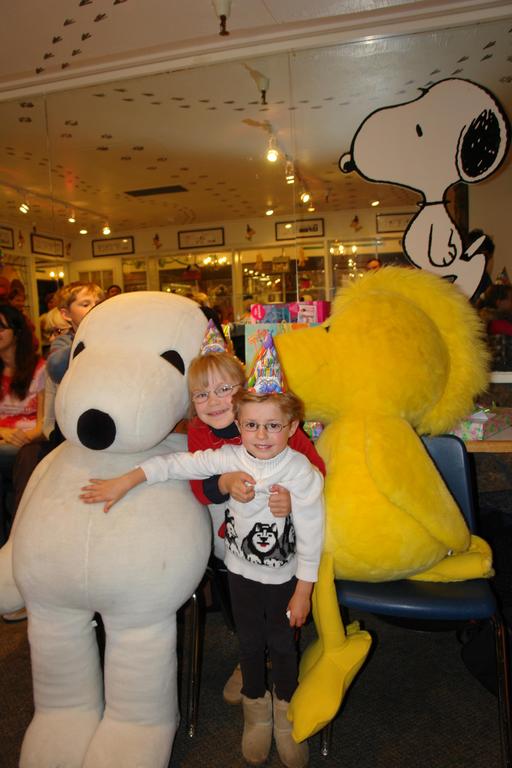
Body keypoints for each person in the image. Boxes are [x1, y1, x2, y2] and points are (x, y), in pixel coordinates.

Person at [80, 386, 324, 768]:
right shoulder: (229, 457)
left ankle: (286, 713)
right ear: (238, 425)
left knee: (281, 645)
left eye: (273, 426)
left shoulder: (300, 472)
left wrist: (304, 590)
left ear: (292, 426)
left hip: (284, 579)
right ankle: (256, 711)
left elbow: (313, 533)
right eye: (252, 425)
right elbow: (174, 464)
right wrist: (126, 481)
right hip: (241, 574)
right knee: (249, 642)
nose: (261, 435)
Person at [0, 304, 45, 541]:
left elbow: (44, 423)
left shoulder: (40, 368)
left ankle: (20, 535)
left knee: (27, 455)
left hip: (30, 440)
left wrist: (23, 437)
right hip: (3, 440)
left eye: (1, 327)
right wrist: (4, 432)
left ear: (17, 332)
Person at [47, 282, 105, 385]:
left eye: (98, 303)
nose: (95, 307)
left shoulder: (108, 335)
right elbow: (55, 368)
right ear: (66, 314)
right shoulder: (64, 341)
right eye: (85, 304)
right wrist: (84, 345)